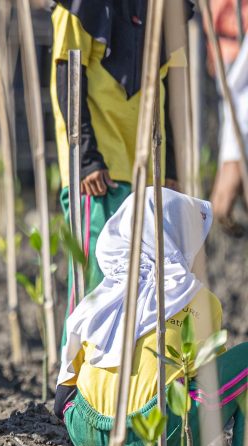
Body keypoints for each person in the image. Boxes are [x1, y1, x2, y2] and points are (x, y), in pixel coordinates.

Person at [53, 188, 248, 446]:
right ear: (177, 241)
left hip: (85, 431)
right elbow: (204, 384)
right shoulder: (201, 302)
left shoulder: (100, 297)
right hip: (153, 436)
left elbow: (60, 400)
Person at [49, 1, 184, 309]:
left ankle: (127, 359)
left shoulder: (165, 10)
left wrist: (171, 167)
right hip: (100, 174)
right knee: (95, 285)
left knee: (146, 290)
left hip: (149, 171)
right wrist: (86, 159)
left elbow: (172, 90)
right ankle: (82, 358)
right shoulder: (76, 9)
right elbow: (67, 76)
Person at [205, 0, 248, 234]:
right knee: (236, 126)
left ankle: (223, 204)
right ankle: (222, 205)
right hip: (231, 52)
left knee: (235, 129)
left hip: (231, 52)